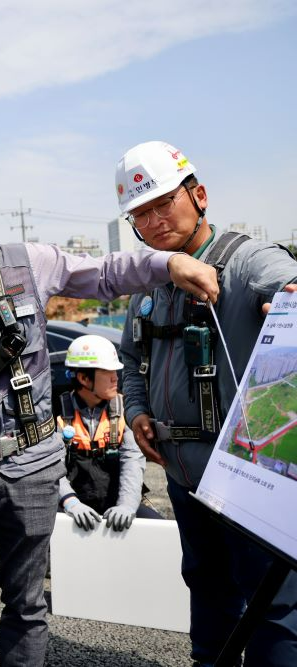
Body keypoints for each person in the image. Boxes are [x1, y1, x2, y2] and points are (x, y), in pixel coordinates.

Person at [0, 147, 219, 667]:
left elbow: (109, 272)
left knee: (27, 603)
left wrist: (170, 262)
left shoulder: (30, 263)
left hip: (31, 465)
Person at [116, 141, 297, 666]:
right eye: (139, 214)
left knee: (273, 607)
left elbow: (283, 281)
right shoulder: (152, 280)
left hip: (251, 478)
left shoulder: (245, 263)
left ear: (199, 196)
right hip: (186, 474)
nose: (153, 221)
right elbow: (131, 357)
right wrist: (135, 412)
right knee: (206, 584)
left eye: (162, 203)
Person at [56, 334, 160, 531]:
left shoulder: (124, 411)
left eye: (115, 370)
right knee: (43, 535)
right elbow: (53, 467)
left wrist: (127, 505)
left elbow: (132, 461)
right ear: (84, 378)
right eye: (107, 372)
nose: (115, 377)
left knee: (159, 531)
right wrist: (70, 502)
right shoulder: (60, 414)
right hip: (74, 504)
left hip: (116, 501)